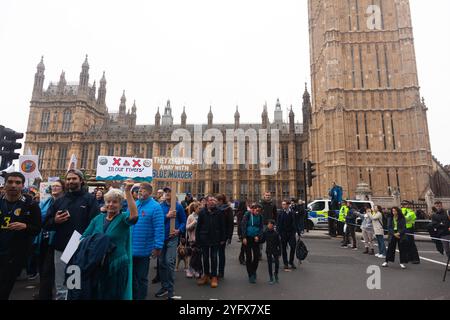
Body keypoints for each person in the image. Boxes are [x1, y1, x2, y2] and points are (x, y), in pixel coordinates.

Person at [43, 169, 99, 300]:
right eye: (68, 179)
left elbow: (95, 224)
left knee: (73, 284)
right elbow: (46, 223)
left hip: (78, 246)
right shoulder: (59, 200)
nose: (71, 181)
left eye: (74, 179)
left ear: (81, 180)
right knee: (61, 284)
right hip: (61, 245)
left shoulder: (89, 200)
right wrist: (55, 221)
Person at [81, 182, 138, 299]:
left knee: (114, 295)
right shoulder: (97, 219)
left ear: (121, 205)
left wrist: (127, 192)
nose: (111, 204)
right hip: (97, 264)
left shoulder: (123, 218)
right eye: (108, 201)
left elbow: (134, 217)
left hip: (117, 264)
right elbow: (84, 237)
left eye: (115, 202)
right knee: (98, 294)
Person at [0, 172, 41, 300]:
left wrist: (25, 227)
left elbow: (37, 228)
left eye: (17, 183)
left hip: (13, 255)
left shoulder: (31, 205)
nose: (13, 185)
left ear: (22, 185)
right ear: (4, 184)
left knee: (4, 289)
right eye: (10, 182)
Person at [131, 182, 165, 300]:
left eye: (143, 189)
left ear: (150, 192)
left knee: (141, 278)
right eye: (139, 189)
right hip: (130, 249)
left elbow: (159, 228)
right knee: (131, 278)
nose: (140, 191)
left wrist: (158, 246)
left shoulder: (156, 207)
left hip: (144, 250)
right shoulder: (135, 204)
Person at [36, 180, 65, 300]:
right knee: (43, 267)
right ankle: (44, 293)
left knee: (58, 269)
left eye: (57, 186)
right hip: (44, 238)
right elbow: (38, 218)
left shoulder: (65, 202)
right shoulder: (45, 202)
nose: (55, 188)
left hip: (58, 239)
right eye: (53, 186)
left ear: (63, 188)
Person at [156, 187, 186, 299]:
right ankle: (164, 287)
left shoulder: (178, 206)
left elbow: (184, 221)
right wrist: (166, 216)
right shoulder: (159, 206)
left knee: (169, 262)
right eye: (166, 192)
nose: (167, 193)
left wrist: (179, 230)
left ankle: (170, 289)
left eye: (170, 192)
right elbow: (157, 221)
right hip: (161, 238)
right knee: (162, 262)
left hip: (172, 237)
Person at [196, 195, 225, 288]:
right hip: (204, 238)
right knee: (204, 258)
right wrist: (198, 240)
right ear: (207, 202)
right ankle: (206, 275)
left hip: (215, 238)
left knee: (213, 258)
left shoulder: (219, 212)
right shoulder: (202, 212)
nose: (212, 201)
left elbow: (222, 226)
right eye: (210, 200)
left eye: (214, 200)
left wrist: (223, 239)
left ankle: (214, 276)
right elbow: (198, 227)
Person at [241, 203, 263, 283]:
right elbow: (243, 226)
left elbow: (261, 228)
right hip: (247, 238)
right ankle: (250, 275)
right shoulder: (247, 215)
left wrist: (258, 236)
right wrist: (243, 237)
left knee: (256, 257)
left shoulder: (260, 216)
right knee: (249, 257)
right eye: (257, 210)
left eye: (259, 211)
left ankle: (254, 271)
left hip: (255, 239)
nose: (258, 212)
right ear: (253, 209)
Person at [216, 194, 234, 279]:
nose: (217, 202)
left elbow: (231, 224)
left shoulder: (228, 209)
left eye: (218, 201)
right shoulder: (215, 209)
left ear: (222, 201)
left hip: (223, 235)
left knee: (221, 254)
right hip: (215, 234)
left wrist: (229, 236)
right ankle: (214, 271)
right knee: (214, 254)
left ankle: (221, 272)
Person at [277, 200, 299, 270]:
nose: (283, 206)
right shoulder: (280, 213)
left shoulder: (292, 213)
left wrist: (297, 233)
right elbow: (278, 224)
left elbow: (296, 223)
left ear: (288, 205)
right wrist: (278, 233)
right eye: (282, 204)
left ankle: (291, 262)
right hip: (283, 233)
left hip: (291, 233)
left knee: (293, 247)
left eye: (284, 204)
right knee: (283, 249)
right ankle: (285, 263)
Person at [260, 219, 281, 284]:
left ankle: (276, 274)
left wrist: (280, 252)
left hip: (275, 250)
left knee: (277, 263)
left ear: (273, 226)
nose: (270, 226)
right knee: (269, 264)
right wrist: (257, 239)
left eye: (271, 225)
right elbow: (262, 240)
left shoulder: (276, 233)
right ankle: (271, 277)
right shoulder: (265, 232)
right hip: (268, 250)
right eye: (269, 225)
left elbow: (279, 244)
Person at [185, 201, 200, 278]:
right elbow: (187, 227)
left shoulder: (201, 216)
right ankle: (190, 269)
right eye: (199, 208)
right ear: (195, 209)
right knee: (193, 255)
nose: (200, 210)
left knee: (198, 255)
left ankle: (196, 270)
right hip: (192, 239)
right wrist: (194, 222)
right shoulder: (190, 217)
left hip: (200, 239)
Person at [236, 199, 247, 265]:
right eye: (245, 204)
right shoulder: (242, 213)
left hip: (242, 232)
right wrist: (241, 234)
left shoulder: (240, 212)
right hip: (243, 232)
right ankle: (241, 258)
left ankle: (242, 257)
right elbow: (240, 224)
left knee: (244, 246)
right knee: (244, 246)